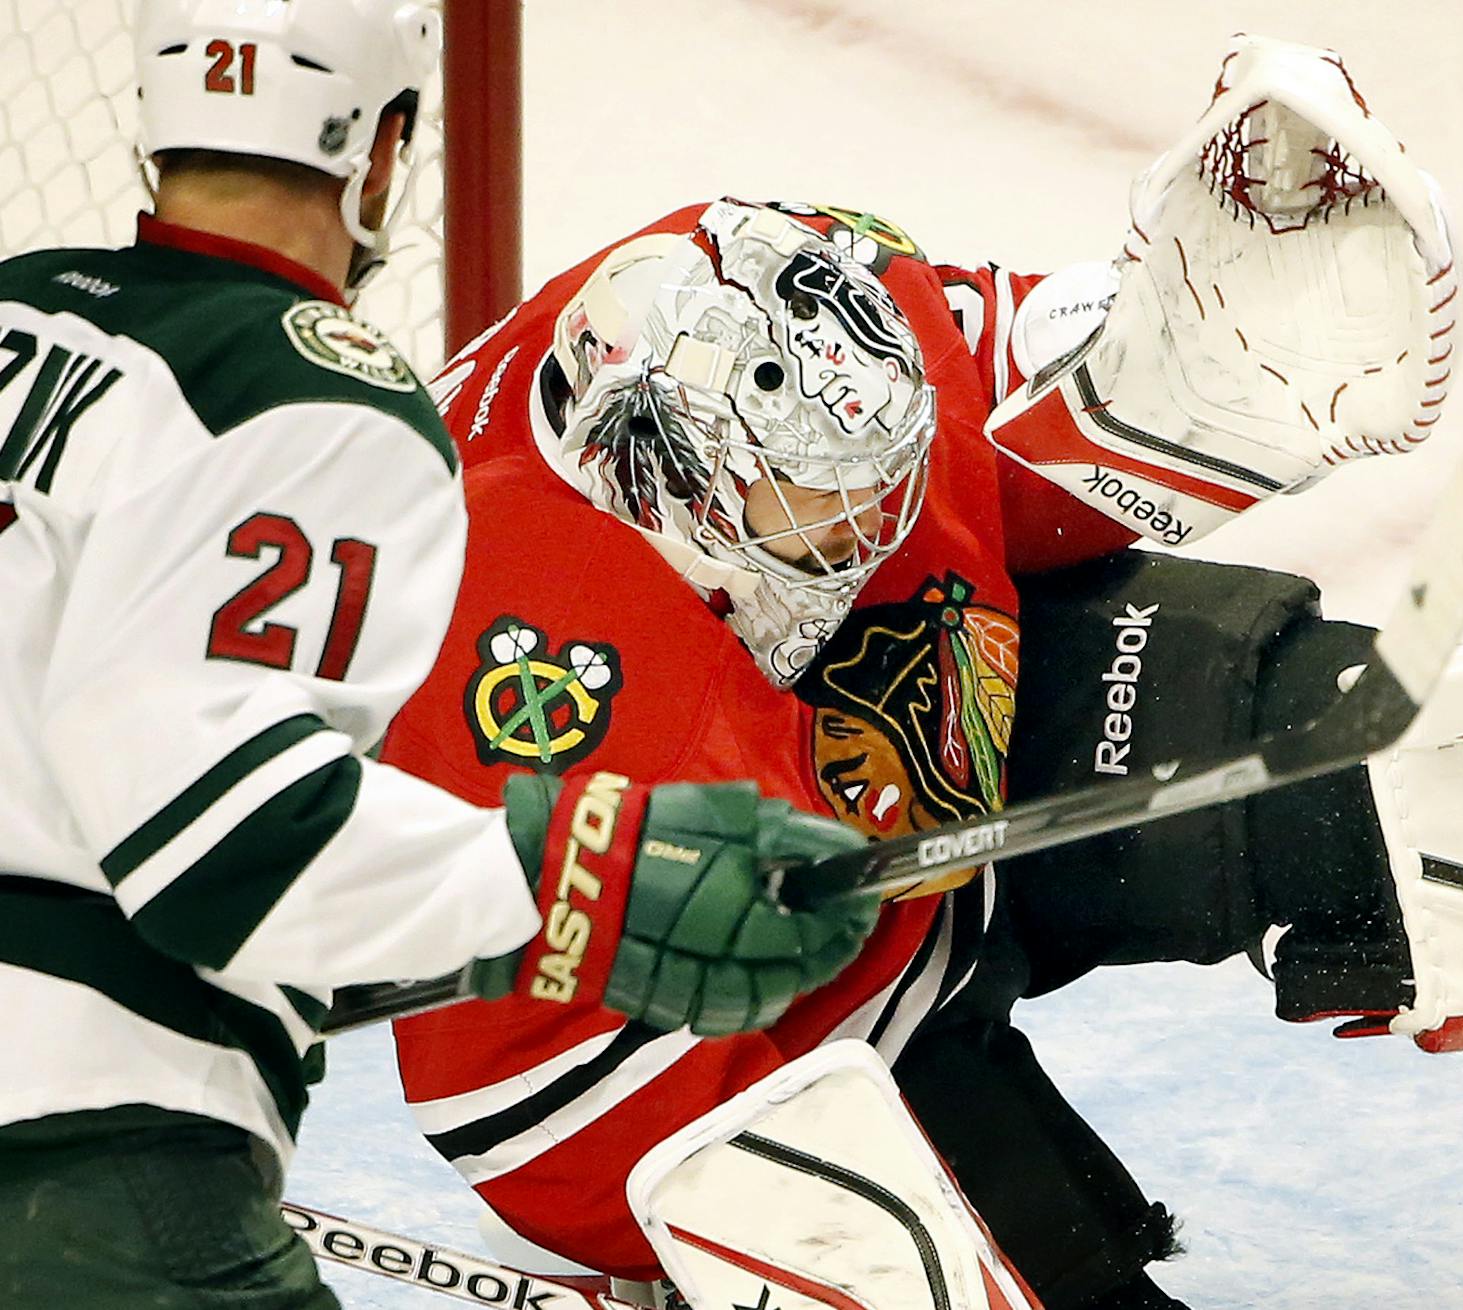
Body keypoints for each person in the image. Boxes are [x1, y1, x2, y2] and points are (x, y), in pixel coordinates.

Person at [383, 38, 1463, 1310]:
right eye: (815, 519)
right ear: (668, 494)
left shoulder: (832, 312)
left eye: (879, 489)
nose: (869, 535)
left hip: (921, 806)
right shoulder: (501, 628)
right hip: (696, 1058)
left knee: (1312, 733)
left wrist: (1207, 357)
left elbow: (1048, 414)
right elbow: (452, 1016)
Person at [0, 4, 875, 1307]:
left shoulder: (20, 306)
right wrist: (583, 876)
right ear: (378, 144)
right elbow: (217, 838)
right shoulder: (317, 398)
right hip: (87, 1158)